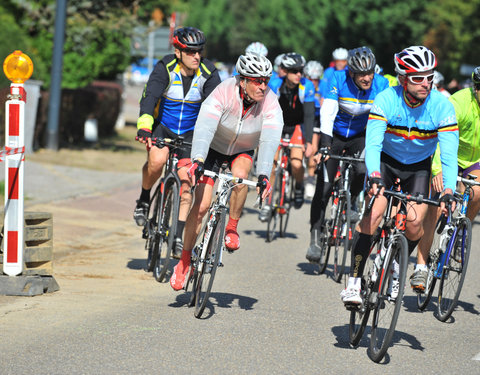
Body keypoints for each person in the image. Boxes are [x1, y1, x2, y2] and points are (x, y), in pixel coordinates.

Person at [340, 46, 459, 307]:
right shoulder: (386, 99)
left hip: (418, 167)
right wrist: (373, 176)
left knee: (415, 223)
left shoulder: (442, 106)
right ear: (403, 79)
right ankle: (354, 283)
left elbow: (449, 156)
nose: (426, 83)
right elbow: (372, 144)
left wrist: (449, 189)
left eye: (429, 76)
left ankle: (395, 262)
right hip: (385, 162)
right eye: (418, 78)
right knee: (374, 215)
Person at [170, 53, 284, 290]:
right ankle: (183, 261)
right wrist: (198, 159)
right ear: (242, 80)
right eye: (257, 81)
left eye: (266, 80)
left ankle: (231, 227)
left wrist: (263, 174)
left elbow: (271, 137)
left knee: (240, 178)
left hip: (242, 149)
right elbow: (204, 125)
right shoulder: (224, 91)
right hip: (213, 147)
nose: (263, 86)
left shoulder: (271, 101)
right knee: (200, 208)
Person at [133, 27, 221, 258]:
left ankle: (178, 235)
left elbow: (217, 107)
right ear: (178, 51)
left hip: (191, 134)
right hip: (164, 127)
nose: (196, 56)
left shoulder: (209, 72)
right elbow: (149, 97)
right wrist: (144, 127)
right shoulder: (165, 67)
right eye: (190, 52)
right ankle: (144, 198)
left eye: (199, 51)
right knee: (157, 160)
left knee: (186, 181)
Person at [305, 47, 389, 262]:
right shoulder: (337, 78)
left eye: (370, 72)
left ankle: (351, 203)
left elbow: (383, 119)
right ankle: (315, 235)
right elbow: (328, 111)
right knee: (323, 187)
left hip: (360, 135)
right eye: (362, 74)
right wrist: (324, 145)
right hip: (335, 134)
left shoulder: (381, 84)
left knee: (362, 168)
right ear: (351, 72)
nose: (367, 77)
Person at [412, 66, 480, 291]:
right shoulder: (459, 102)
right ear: (475, 89)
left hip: (474, 160)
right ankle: (421, 267)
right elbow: (442, 139)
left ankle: (462, 232)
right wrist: (438, 170)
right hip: (448, 153)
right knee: (435, 206)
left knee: (477, 191)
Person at [258, 53, 316, 221]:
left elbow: (309, 115)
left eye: (301, 71)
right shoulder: (275, 84)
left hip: (297, 126)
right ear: (284, 71)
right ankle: (267, 202)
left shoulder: (307, 86)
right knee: (272, 164)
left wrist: (310, 142)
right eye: (294, 71)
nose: (299, 74)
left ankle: (298, 186)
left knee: (297, 164)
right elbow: (265, 111)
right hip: (278, 124)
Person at [303, 60, 324, 199]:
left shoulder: (324, 86)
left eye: (316, 79)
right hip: (303, 117)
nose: (314, 82)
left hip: (317, 119)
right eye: (311, 79)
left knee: (313, 146)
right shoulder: (303, 84)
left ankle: (310, 178)